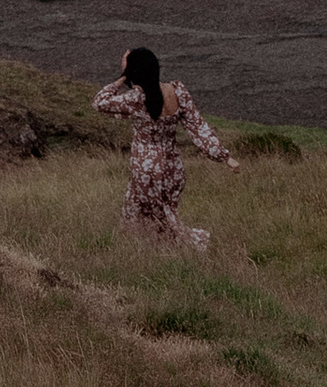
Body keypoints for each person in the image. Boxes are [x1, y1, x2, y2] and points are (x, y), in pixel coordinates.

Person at [94, 43, 238, 249]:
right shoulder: (177, 92)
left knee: (141, 217)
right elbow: (199, 129)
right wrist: (224, 157)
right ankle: (164, 252)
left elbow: (99, 102)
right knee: (163, 215)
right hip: (172, 168)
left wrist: (122, 76)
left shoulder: (136, 98)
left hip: (145, 168)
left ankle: (192, 246)